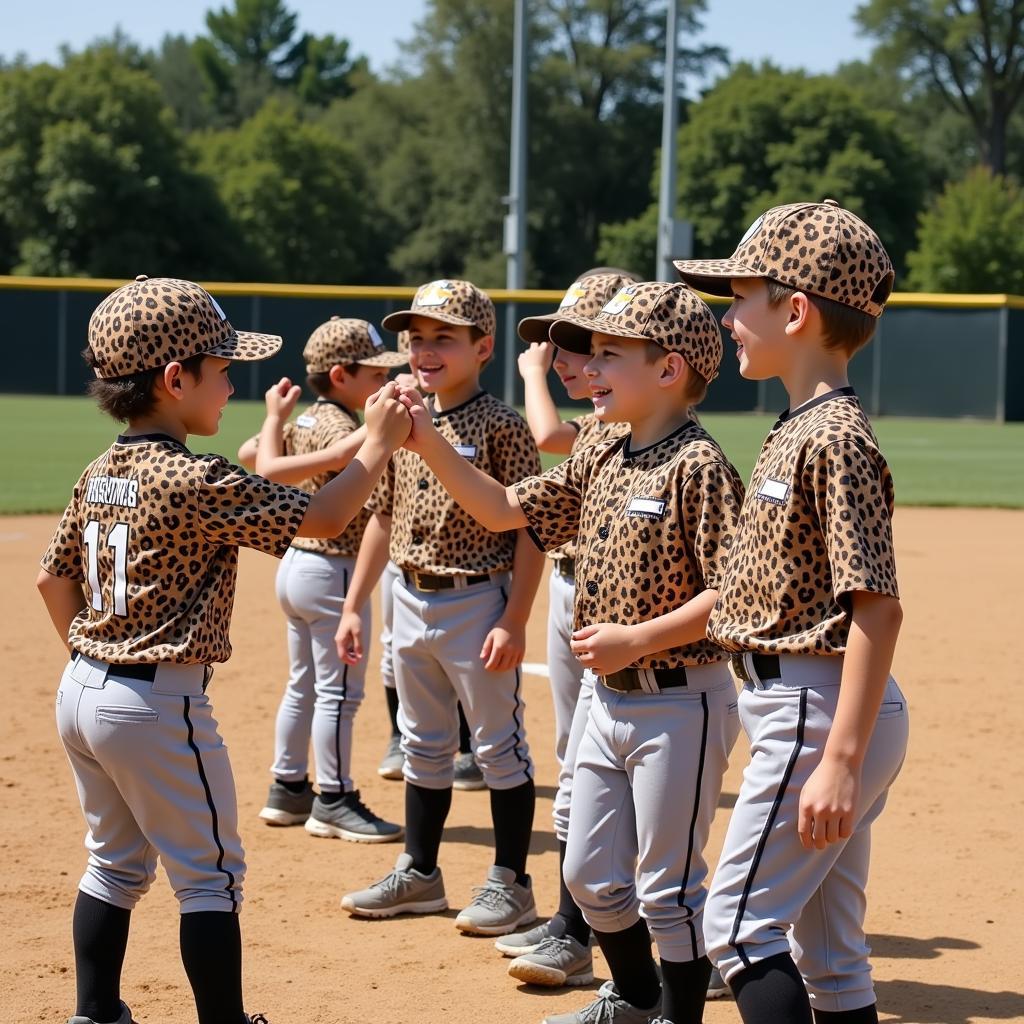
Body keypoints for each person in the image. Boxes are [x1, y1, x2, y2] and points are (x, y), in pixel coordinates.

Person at [36, 276, 409, 1024]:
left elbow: (51, 581)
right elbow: (327, 513)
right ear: (175, 380)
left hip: (83, 687)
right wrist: (376, 444)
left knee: (113, 863)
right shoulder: (194, 475)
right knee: (210, 876)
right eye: (221, 368)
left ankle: (97, 1013)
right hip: (154, 699)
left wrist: (99, 656)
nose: (231, 382)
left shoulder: (101, 468)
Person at [395, 280, 745, 1024]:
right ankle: (638, 997)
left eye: (610, 354)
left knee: (668, 889)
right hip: (609, 697)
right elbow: (501, 508)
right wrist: (425, 438)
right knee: (589, 876)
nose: (588, 366)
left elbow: (733, 594)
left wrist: (638, 639)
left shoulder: (699, 467)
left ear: (669, 370)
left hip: (681, 699)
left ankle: (675, 1014)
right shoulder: (603, 450)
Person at [674, 198, 910, 1024]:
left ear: (797, 310)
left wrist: (840, 761)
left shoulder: (835, 437)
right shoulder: (798, 423)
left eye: (742, 298)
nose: (729, 318)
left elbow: (877, 611)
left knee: (736, 929)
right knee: (830, 955)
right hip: (811, 704)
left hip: (818, 711)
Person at [337, 279, 545, 936]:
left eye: (444, 339)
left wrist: (513, 620)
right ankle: (420, 872)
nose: (425, 351)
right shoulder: (396, 416)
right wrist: (353, 605)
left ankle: (512, 881)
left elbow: (531, 528)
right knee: (421, 744)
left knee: (496, 748)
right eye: (416, 338)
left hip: (476, 600)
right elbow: (381, 515)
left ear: (483, 347)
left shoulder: (501, 425)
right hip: (407, 594)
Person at [494, 270, 634, 988]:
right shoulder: (605, 426)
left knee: (599, 772)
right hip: (570, 589)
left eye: (582, 343)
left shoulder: (630, 426)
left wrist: (529, 374)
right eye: (562, 342)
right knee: (570, 761)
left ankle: (592, 930)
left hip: (619, 615)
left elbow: (545, 431)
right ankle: (571, 917)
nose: (567, 356)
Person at [236, 316, 407, 841]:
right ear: (340, 375)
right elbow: (325, 458)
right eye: (372, 373)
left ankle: (288, 787)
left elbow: (250, 456)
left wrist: (275, 422)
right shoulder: (338, 425)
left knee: (304, 685)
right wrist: (375, 427)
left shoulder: (307, 419)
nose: (381, 382)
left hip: (295, 566)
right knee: (338, 693)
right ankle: (333, 796)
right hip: (332, 566)